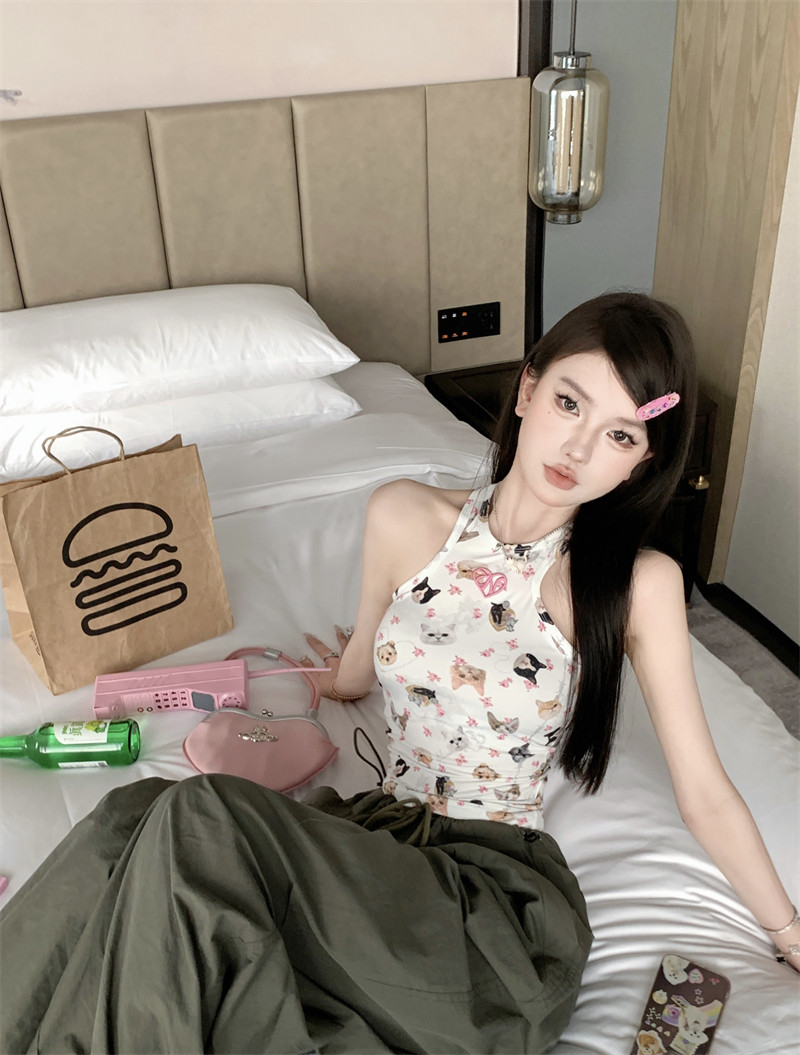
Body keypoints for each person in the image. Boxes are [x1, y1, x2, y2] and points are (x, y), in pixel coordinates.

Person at [0, 293, 795, 1055]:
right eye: (569, 403)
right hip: (380, 851)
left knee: (200, 818)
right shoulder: (403, 514)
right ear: (527, 390)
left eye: (621, 434)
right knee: (129, 815)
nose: (579, 448)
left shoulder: (633, 583)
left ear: (642, 461)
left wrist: (789, 931)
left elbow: (704, 791)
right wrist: (340, 671)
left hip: (491, 910)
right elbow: (360, 672)